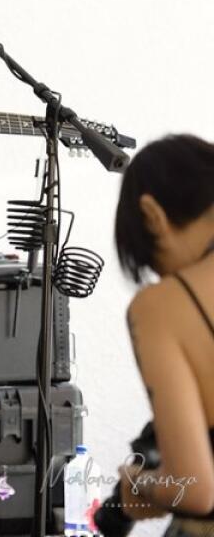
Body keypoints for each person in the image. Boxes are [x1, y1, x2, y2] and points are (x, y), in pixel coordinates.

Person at [111, 134, 214, 535]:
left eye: (155, 263)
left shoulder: (162, 306)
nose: (163, 278)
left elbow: (197, 489)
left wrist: (140, 486)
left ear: (152, 215)